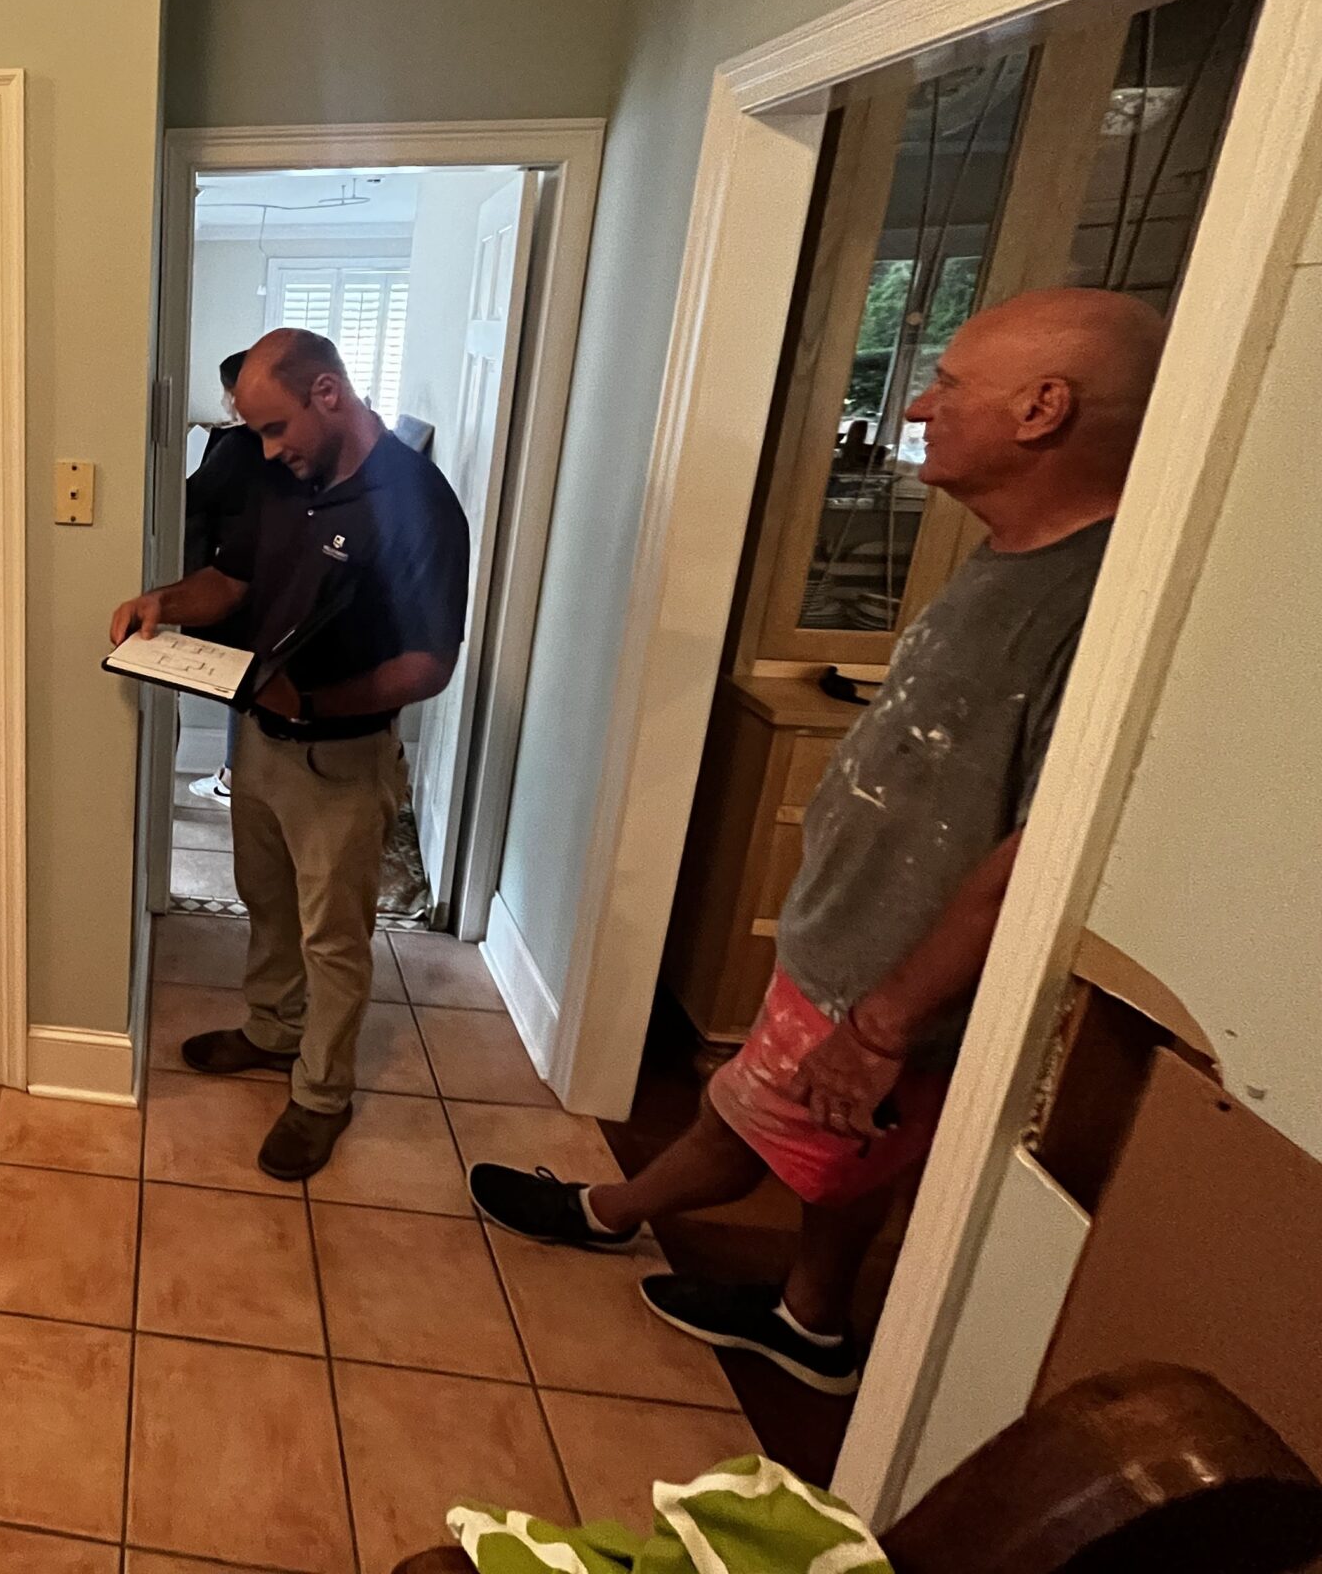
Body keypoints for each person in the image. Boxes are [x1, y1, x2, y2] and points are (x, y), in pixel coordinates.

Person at [471, 286, 1168, 1395]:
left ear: (1042, 409)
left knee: (747, 1121)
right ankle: (810, 1318)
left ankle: (606, 1215)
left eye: (948, 383)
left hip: (901, 986)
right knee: (846, 1149)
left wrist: (887, 1018)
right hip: (860, 954)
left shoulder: (1099, 602)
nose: (922, 406)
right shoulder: (1011, 558)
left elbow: (1048, 845)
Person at [110, 328, 470, 1177]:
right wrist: (160, 601)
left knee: (333, 939)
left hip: (343, 760)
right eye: (256, 432)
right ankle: (273, 1032)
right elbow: (230, 582)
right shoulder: (279, 480)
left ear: (329, 395)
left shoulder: (418, 504)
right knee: (264, 901)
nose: (268, 450)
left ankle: (321, 1095)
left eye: (276, 428)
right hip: (260, 739)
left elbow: (428, 665)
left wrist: (312, 702)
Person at [181, 349, 269, 804]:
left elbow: (192, 499)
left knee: (242, 679)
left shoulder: (240, 446)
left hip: (239, 576)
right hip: (266, 577)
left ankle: (235, 778)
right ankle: (239, 774)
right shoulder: (275, 443)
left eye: (227, 392)